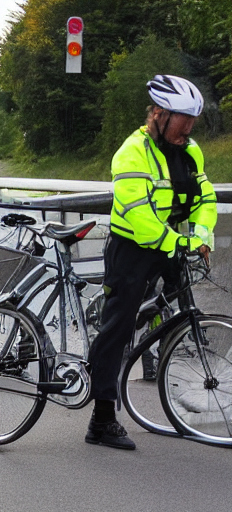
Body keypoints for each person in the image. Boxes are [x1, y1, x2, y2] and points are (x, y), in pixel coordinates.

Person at [85, 75, 218, 450]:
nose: (189, 129)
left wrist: (202, 236)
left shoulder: (189, 151)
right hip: (132, 249)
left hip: (169, 246)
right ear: (159, 114)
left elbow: (205, 199)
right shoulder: (131, 153)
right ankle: (102, 418)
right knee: (119, 323)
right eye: (182, 120)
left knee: (180, 302)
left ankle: (158, 359)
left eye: (193, 121)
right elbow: (141, 220)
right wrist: (180, 241)